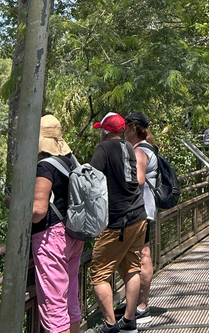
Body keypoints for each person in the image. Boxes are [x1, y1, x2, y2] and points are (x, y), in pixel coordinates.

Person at [87, 113, 147, 333]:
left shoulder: (102, 149)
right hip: (138, 215)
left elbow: (91, 180)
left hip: (117, 220)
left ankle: (110, 324)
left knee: (99, 274)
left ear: (105, 131)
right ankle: (129, 321)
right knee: (132, 267)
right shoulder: (128, 148)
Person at [26, 115, 85, 333]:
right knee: (70, 301)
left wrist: (13, 204)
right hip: (73, 234)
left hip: (51, 239)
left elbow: (38, 211)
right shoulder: (71, 160)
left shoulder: (45, 167)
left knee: (54, 309)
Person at [123, 111, 157, 325]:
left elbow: (138, 180)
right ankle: (136, 303)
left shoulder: (139, 152)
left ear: (134, 128)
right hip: (146, 209)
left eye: (126, 127)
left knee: (143, 255)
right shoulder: (149, 148)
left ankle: (142, 306)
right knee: (142, 254)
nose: (124, 131)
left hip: (141, 210)